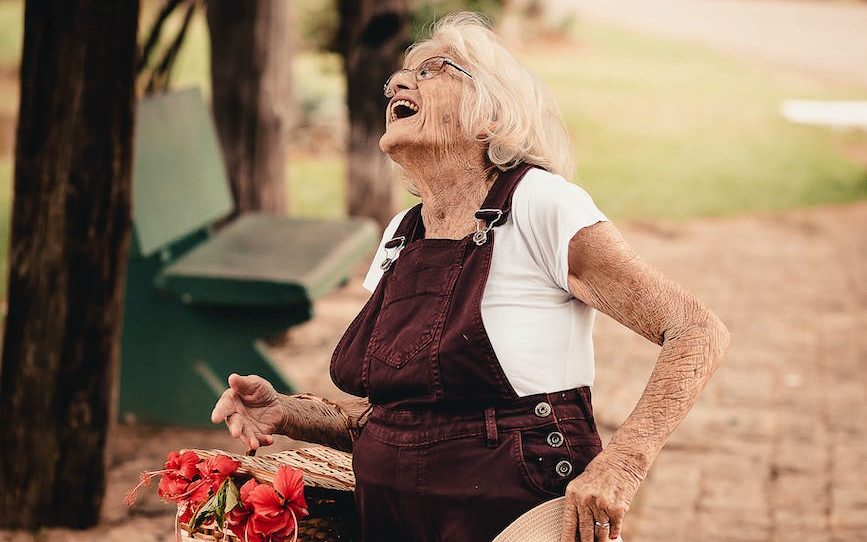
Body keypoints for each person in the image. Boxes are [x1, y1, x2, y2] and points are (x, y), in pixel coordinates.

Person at [211, 12, 730, 542]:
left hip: (516, 514)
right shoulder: (403, 232)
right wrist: (288, 412)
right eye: (398, 77)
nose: (399, 83)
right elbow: (394, 423)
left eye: (435, 68)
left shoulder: (539, 204)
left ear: (494, 113)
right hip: (394, 518)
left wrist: (623, 464)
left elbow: (696, 331)